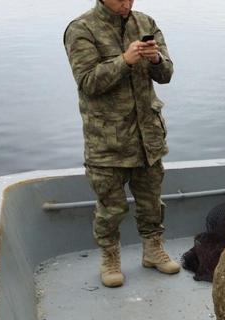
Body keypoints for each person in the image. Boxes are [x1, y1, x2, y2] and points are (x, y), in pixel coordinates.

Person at [64, 0, 179, 287]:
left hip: (147, 137)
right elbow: (88, 82)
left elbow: (165, 75)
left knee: (152, 202)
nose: (127, 4)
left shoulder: (145, 22)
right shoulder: (81, 28)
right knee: (110, 209)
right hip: (107, 141)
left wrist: (155, 60)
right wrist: (124, 60)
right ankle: (110, 257)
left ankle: (153, 250)